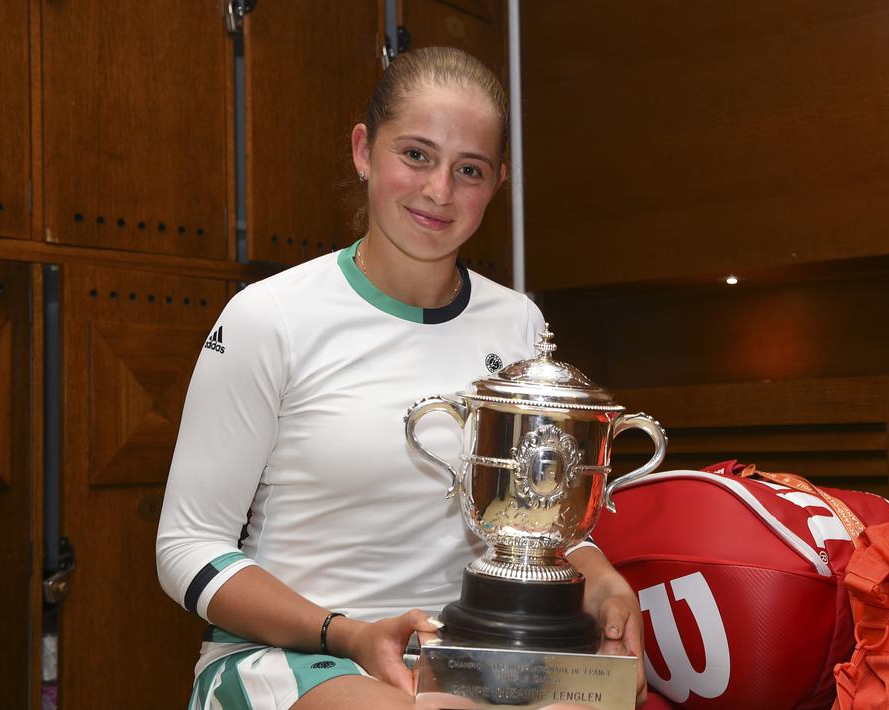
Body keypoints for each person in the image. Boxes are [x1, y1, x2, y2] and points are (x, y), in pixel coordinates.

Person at [157, 47, 645, 710]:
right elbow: (187, 547)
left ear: (496, 183)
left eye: (467, 169)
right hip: (294, 655)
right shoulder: (269, 316)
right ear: (364, 151)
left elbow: (534, 522)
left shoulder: (519, 324)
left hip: (466, 659)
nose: (439, 191)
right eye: (415, 154)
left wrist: (605, 584)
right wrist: (349, 634)